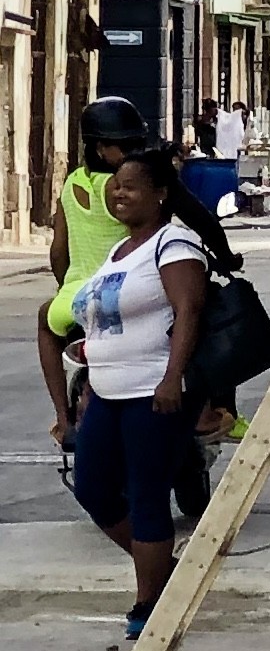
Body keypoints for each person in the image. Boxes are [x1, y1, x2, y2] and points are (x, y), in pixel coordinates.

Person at [64, 145, 219, 641]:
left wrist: (173, 377)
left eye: (130, 187)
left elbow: (188, 310)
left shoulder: (174, 244)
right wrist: (89, 383)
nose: (119, 194)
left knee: (149, 495)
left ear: (160, 195)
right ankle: (164, 573)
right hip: (107, 392)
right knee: (92, 487)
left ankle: (148, 602)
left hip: (153, 391)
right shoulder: (119, 251)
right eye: (116, 188)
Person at [36, 94, 149, 445]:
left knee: (45, 321)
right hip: (125, 293)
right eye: (125, 145)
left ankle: (63, 419)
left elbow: (59, 251)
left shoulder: (71, 185)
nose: (133, 152)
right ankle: (208, 414)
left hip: (77, 296)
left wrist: (66, 287)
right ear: (101, 148)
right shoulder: (125, 187)